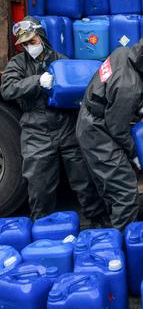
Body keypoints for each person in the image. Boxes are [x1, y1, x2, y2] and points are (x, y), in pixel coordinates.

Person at [1, 17, 108, 223]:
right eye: (25, 44)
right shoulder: (18, 63)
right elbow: (7, 89)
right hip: (36, 129)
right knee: (39, 184)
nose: (29, 47)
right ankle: (43, 228)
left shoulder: (60, 60)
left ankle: (98, 223)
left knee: (84, 179)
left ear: (41, 37)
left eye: (32, 42)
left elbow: (80, 87)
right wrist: (36, 81)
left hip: (65, 124)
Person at [76, 33, 143, 231]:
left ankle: (103, 225)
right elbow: (117, 129)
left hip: (90, 116)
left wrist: (139, 107)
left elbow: (111, 92)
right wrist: (134, 154)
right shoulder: (129, 85)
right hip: (97, 130)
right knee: (125, 191)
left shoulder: (123, 52)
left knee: (107, 183)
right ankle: (120, 244)